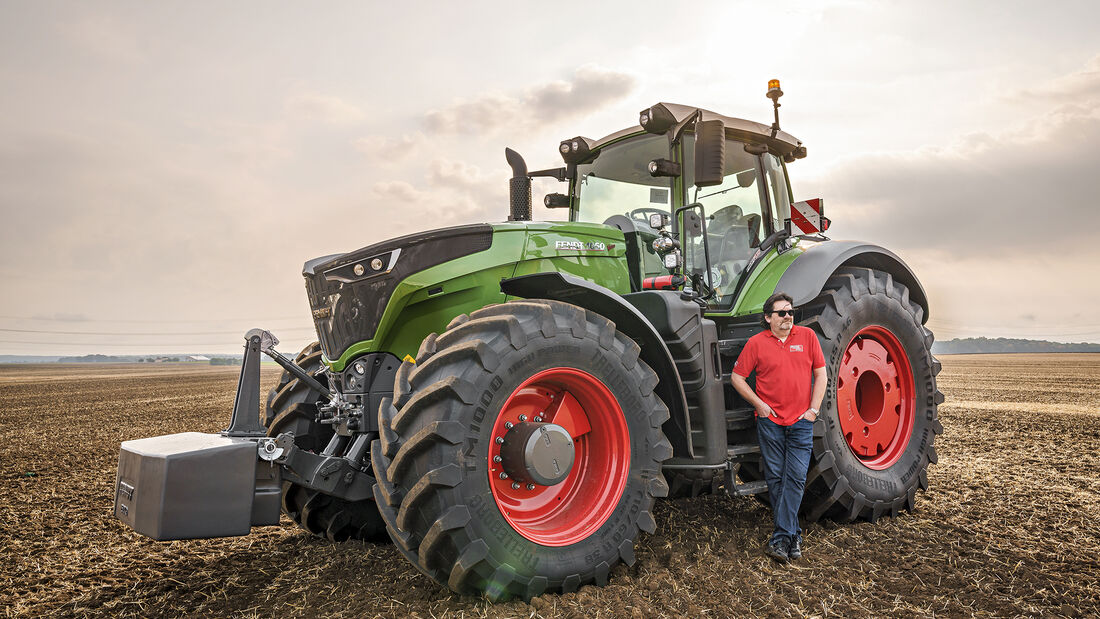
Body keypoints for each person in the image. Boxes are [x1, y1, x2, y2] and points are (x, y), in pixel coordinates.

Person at [730, 292, 827, 562]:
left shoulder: (807, 338)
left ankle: (781, 538)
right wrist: (759, 404)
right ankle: (793, 535)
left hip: (800, 422)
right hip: (770, 422)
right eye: (782, 313)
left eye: (790, 312)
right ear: (768, 317)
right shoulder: (756, 343)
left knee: (795, 478)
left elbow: (821, 374)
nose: (788, 317)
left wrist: (813, 410)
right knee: (775, 479)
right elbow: (737, 377)